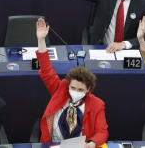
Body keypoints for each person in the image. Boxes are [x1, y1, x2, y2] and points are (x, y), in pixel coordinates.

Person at [35, 17, 109, 146]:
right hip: (54, 145)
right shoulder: (60, 90)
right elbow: (46, 70)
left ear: (89, 89)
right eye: (73, 88)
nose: (75, 92)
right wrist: (41, 40)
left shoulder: (97, 105)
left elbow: (102, 132)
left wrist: (92, 143)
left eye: (80, 90)